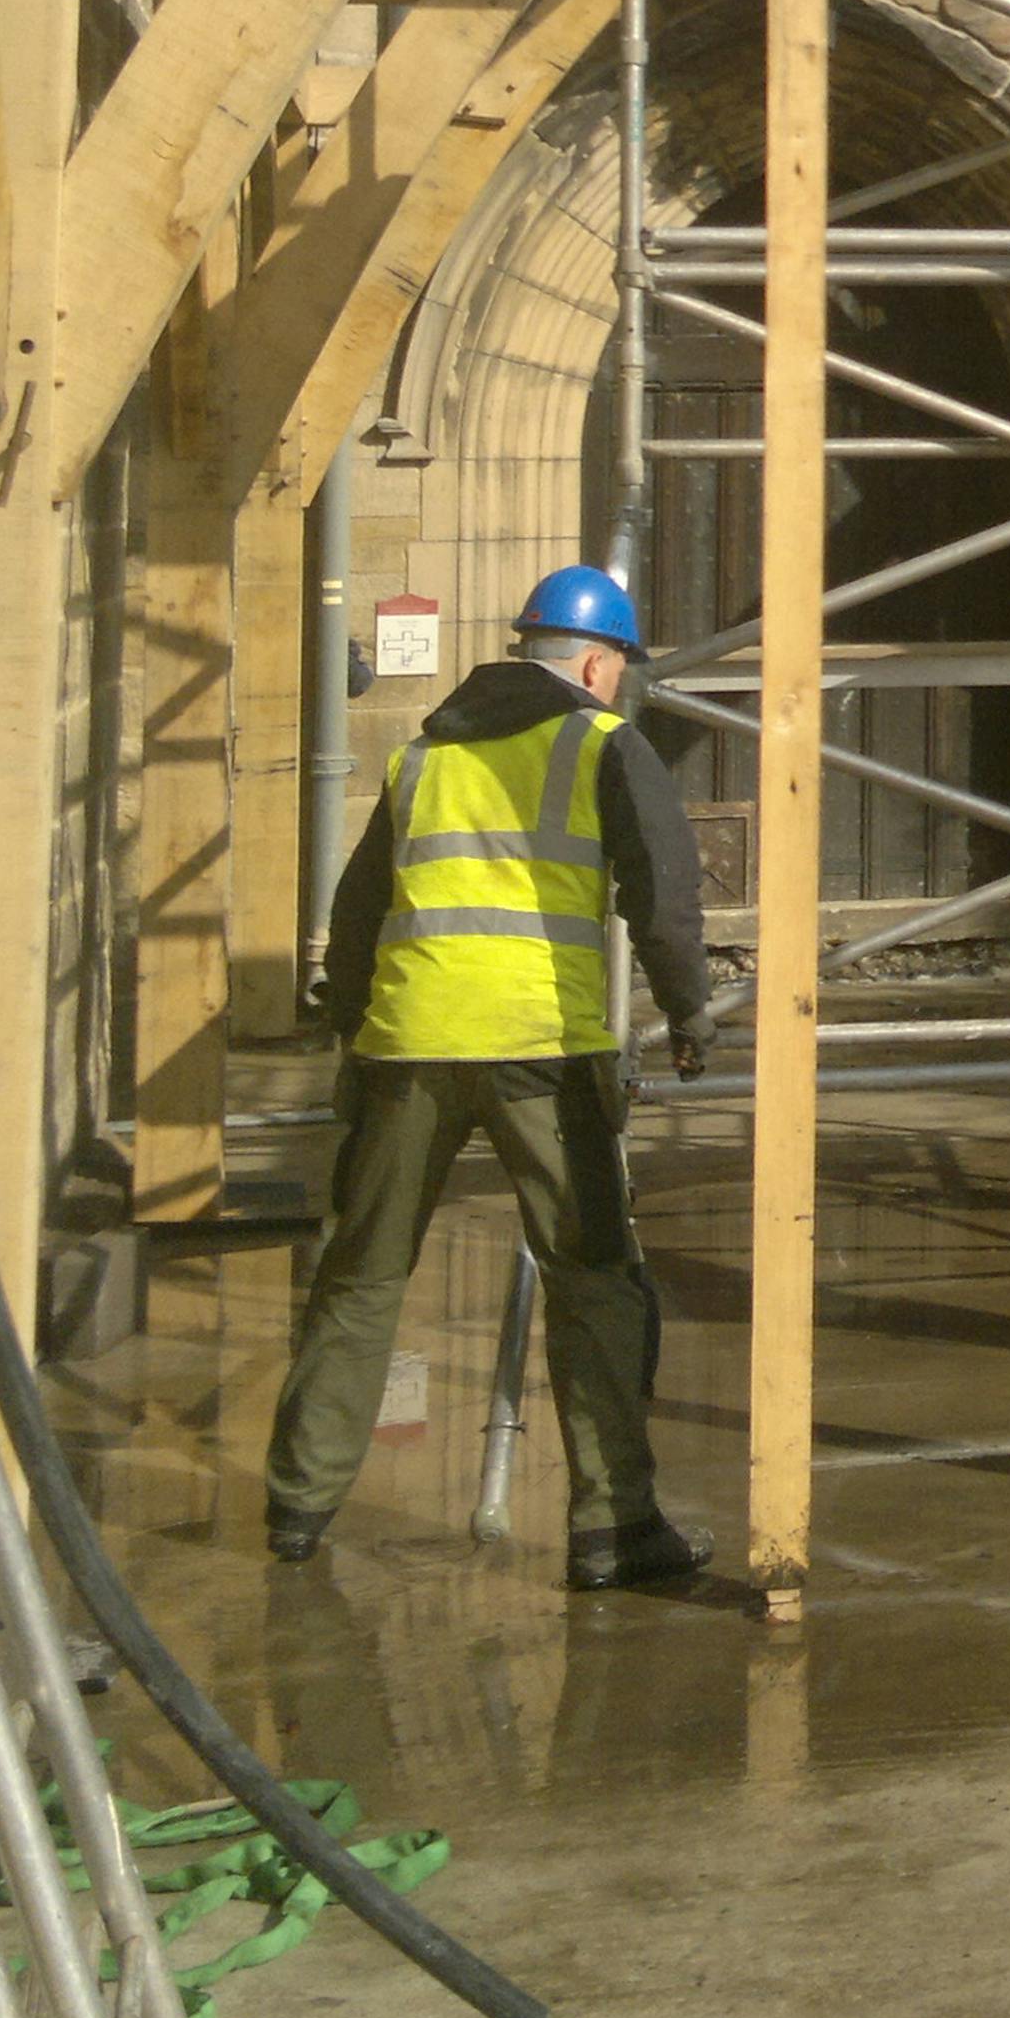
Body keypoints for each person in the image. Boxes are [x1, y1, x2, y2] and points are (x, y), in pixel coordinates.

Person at [263, 566, 718, 1588]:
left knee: (360, 1275)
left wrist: (344, 1013)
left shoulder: (421, 754)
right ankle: (613, 1525)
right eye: (619, 672)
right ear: (598, 663)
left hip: (407, 1045)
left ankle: (297, 1504)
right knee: (595, 1278)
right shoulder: (603, 743)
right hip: (539, 1051)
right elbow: (663, 891)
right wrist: (689, 1009)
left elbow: (360, 899)